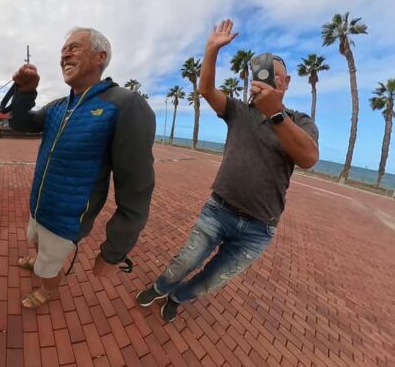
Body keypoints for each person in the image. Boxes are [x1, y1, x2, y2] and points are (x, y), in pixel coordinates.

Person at [135, 19, 319, 323]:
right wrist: (211, 50)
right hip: (218, 211)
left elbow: (309, 157)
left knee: (212, 279)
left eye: (275, 76)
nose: (268, 80)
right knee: (185, 261)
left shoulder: (300, 121)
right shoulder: (239, 111)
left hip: (260, 228)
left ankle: (177, 297)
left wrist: (275, 114)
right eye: (262, 74)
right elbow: (206, 89)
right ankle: (160, 286)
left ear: (287, 82)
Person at [8, 27, 155, 309]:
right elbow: (20, 124)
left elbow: (136, 189)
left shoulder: (124, 104)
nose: (64, 54)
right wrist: (25, 92)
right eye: (63, 50)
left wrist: (113, 252)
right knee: (36, 240)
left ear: (100, 56)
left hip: (67, 220)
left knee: (48, 265)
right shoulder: (59, 106)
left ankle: (48, 288)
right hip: (38, 206)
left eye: (74, 47)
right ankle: (38, 258)